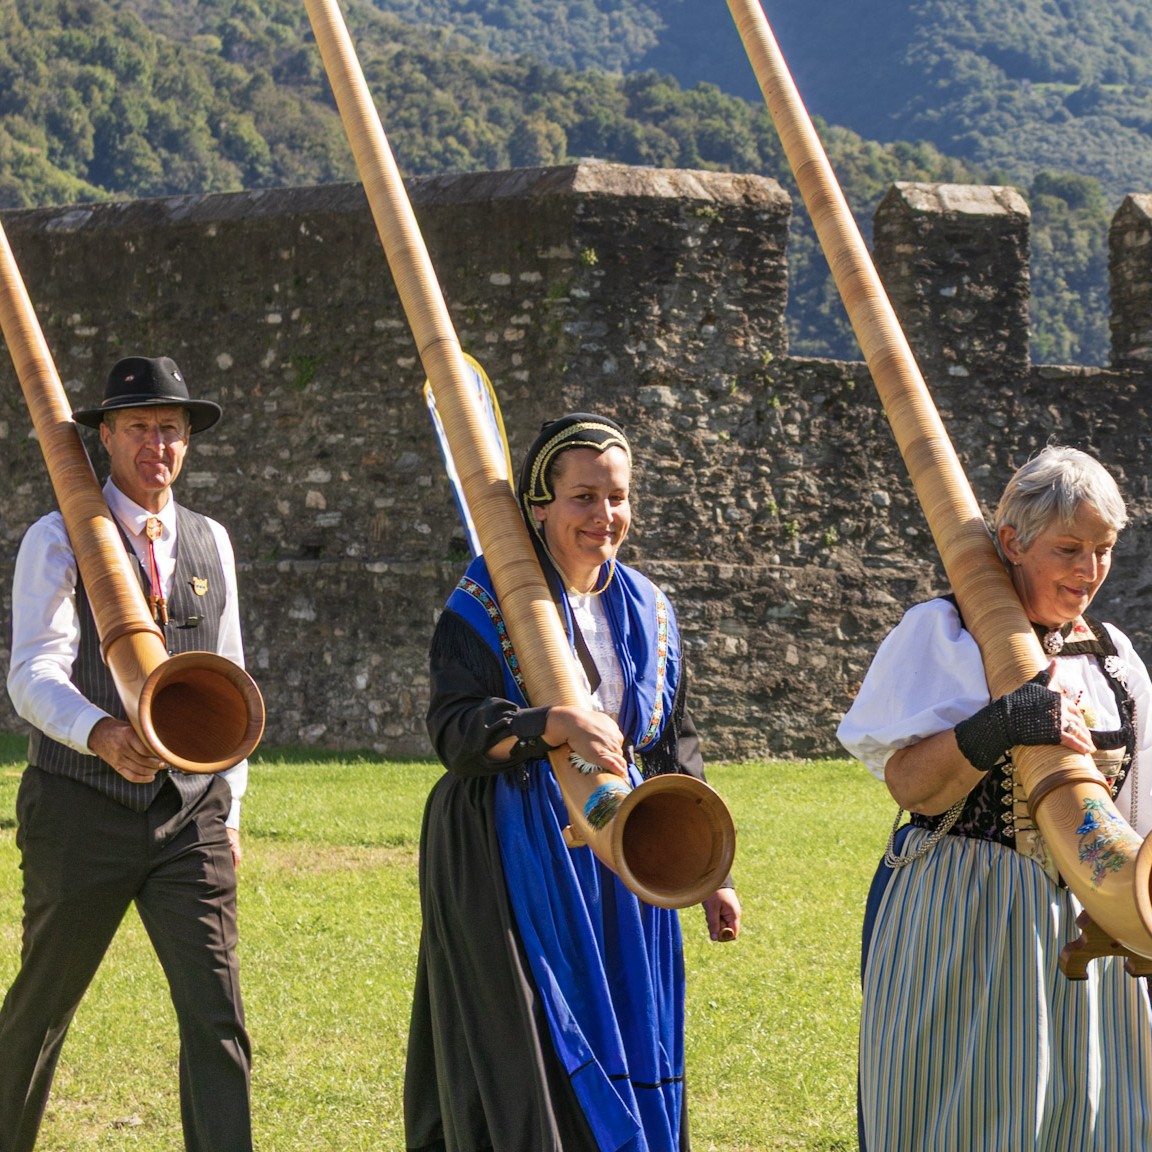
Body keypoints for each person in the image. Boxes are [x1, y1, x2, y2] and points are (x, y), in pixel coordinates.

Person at [404, 413, 741, 1152]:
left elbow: (673, 745)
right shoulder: (485, 599)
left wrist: (710, 874)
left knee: (629, 1026)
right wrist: (550, 723)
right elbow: (453, 730)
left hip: (626, 853)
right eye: (583, 497)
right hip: (509, 850)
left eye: (617, 497)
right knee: (534, 1041)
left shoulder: (650, 609)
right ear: (539, 507)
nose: (604, 515)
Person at [838, 445, 1152, 1151]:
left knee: (1102, 1115)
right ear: (1011, 541)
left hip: (1089, 918)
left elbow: (1140, 807)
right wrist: (999, 725)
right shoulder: (942, 632)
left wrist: (1131, 913)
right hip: (966, 907)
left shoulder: (1113, 657)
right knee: (967, 1113)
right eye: (1068, 548)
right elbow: (909, 784)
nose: (1089, 569)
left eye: (1103, 549)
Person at [1, 356, 253, 1152]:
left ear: (188, 442)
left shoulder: (211, 541)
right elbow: (32, 672)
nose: (157, 445)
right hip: (80, 808)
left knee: (217, 1018)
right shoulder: (56, 537)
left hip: (192, 816)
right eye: (139, 427)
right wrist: (101, 734)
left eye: (170, 429)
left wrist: (231, 812)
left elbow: (232, 679)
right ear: (104, 436)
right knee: (42, 1010)